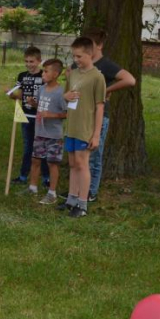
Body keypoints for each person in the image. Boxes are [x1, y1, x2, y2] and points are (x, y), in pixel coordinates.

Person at [80, 27, 136, 202]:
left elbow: (130, 80)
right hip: (81, 116)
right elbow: (69, 73)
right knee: (80, 155)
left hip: (99, 117)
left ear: (100, 45)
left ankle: (91, 192)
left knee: (93, 156)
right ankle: (78, 191)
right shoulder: (82, 62)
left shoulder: (106, 65)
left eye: (90, 45)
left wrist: (106, 90)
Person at [58, 37, 106, 218]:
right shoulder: (73, 73)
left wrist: (96, 135)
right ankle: (71, 200)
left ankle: (82, 204)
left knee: (82, 164)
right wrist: (66, 96)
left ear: (90, 54)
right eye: (74, 56)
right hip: (72, 126)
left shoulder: (97, 77)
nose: (76, 59)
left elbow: (100, 107)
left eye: (79, 56)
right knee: (72, 163)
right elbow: (66, 94)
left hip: (85, 128)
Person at [7, 46, 49, 186]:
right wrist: (12, 95)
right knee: (28, 147)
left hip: (40, 117)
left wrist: (37, 104)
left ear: (39, 61)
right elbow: (19, 95)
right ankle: (23, 176)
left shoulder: (44, 76)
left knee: (42, 147)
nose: (29, 64)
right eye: (26, 61)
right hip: (25, 116)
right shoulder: (22, 76)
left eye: (32, 61)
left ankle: (46, 178)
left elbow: (49, 96)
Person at [28, 58, 68, 204]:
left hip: (54, 135)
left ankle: (52, 193)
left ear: (55, 74)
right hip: (40, 132)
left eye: (46, 71)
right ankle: (32, 188)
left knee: (52, 163)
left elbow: (67, 113)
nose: (42, 74)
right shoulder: (42, 89)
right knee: (35, 160)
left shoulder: (61, 93)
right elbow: (40, 106)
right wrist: (34, 104)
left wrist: (52, 115)